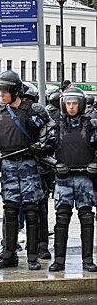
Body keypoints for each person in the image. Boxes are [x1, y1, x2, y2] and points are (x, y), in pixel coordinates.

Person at [0, 70, 55, 270]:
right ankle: (8, 254)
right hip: (8, 167)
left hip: (29, 165)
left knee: (32, 212)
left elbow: (50, 134)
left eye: (4, 91)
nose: (1, 95)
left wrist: (41, 147)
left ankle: (32, 256)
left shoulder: (33, 111)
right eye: (0, 92)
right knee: (10, 211)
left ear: (15, 91)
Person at [48, 88, 97, 272]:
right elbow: (47, 150)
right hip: (64, 179)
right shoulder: (57, 125)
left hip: (85, 178)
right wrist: (54, 164)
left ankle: (87, 260)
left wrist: (95, 163)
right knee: (62, 218)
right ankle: (59, 260)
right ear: (63, 105)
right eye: (68, 103)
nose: (71, 107)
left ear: (81, 105)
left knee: (86, 218)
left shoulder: (91, 125)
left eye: (75, 103)